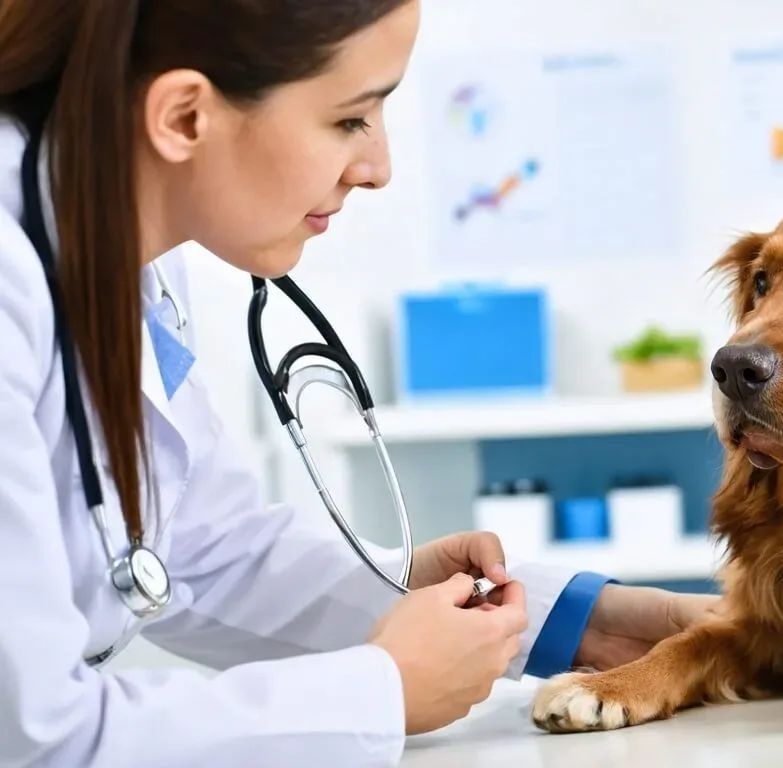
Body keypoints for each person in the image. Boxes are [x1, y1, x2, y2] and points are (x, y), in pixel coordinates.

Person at [0, 2, 718, 766]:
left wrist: (573, 623)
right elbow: (37, 735)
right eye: (351, 119)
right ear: (183, 116)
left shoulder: (124, 250)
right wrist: (381, 692)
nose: (378, 168)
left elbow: (202, 552)